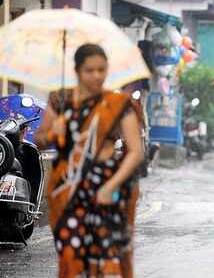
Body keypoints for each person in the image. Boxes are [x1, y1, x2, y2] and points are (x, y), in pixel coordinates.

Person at [35, 44, 144, 277]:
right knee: (71, 253)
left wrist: (110, 187)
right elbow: (40, 141)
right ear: (77, 70)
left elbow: (136, 151)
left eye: (101, 70)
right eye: (89, 70)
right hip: (68, 187)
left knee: (107, 255)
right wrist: (54, 130)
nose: (96, 75)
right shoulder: (60, 100)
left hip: (107, 184)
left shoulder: (118, 104)